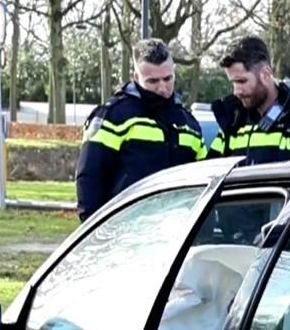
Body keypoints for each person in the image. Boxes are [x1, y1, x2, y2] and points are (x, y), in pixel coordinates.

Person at [74, 38, 206, 220]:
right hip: (125, 231)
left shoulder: (189, 124)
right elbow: (89, 177)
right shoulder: (114, 117)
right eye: (152, 81)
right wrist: (94, 233)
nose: (162, 88)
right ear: (136, 78)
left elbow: (203, 180)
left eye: (167, 78)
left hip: (178, 233)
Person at [207, 36, 290, 164]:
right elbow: (208, 174)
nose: (236, 91)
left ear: (266, 74)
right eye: (233, 83)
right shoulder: (233, 122)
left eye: (242, 81)